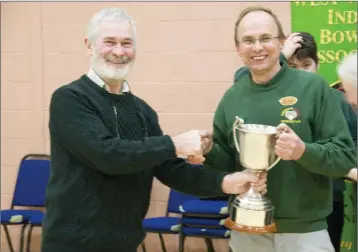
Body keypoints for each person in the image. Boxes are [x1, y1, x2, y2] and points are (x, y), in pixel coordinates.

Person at [41, 8, 267, 252]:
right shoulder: (70, 99)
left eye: (127, 43)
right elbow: (107, 155)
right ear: (89, 45)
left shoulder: (142, 110)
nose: (119, 52)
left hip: (125, 244)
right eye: (110, 42)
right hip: (72, 245)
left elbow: (168, 168)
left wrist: (224, 182)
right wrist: (175, 144)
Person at [203, 6, 357, 252]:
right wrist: (209, 150)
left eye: (265, 38)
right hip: (246, 228)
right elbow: (225, 167)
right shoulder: (231, 98)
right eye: (248, 40)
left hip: (304, 232)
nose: (257, 47)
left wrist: (302, 151)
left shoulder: (314, 88)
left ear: (282, 42)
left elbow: (344, 158)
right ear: (238, 48)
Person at [277, 31, 356, 252]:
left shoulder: (340, 100)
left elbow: (354, 143)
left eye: (306, 64)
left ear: (317, 65)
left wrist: (347, 169)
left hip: (330, 199)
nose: (301, 72)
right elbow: (242, 81)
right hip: (287, 200)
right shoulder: (273, 99)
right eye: (292, 66)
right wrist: (280, 55)